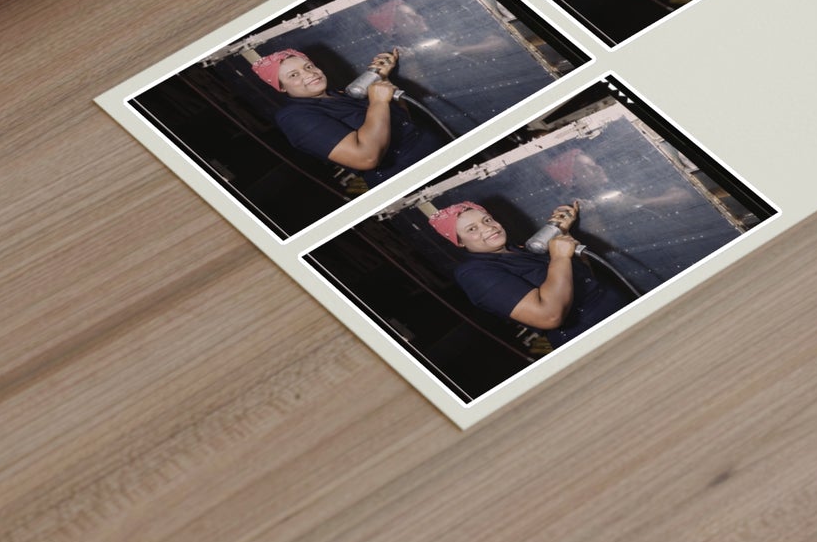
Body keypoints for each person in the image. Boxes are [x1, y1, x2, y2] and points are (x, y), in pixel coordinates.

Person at [428, 198, 628, 345]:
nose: (488, 228)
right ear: (459, 242)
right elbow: (549, 316)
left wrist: (564, 235)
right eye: (472, 229)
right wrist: (559, 257)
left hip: (618, 310)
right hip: (591, 335)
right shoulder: (474, 273)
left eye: (487, 220)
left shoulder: (519, 249)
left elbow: (584, 277)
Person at [254, 47, 439, 183]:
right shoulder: (294, 117)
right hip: (410, 177)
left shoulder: (340, 95)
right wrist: (378, 102)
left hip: (435, 154)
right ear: (281, 87)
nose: (309, 74)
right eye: (293, 75)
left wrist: (382, 81)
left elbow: (403, 121)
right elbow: (366, 158)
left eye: (309, 66)